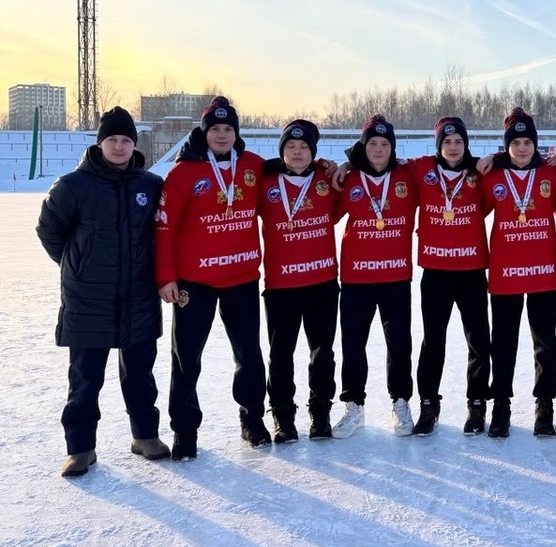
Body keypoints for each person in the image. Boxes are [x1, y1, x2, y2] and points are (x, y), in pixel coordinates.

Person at [37, 107, 168, 477]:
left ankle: (145, 436)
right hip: (87, 300)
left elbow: (164, 231)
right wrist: (76, 265)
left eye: (126, 140)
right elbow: (49, 231)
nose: (120, 146)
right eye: (113, 139)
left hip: (139, 296)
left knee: (140, 374)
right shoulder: (73, 186)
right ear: (100, 143)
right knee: (84, 378)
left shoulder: (150, 185)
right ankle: (80, 448)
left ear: (134, 144)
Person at [155, 96, 270, 459]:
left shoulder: (253, 166)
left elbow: (293, 180)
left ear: (237, 133)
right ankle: (184, 431)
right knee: (187, 359)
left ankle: (252, 418)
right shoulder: (183, 172)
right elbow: (164, 228)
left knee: (249, 355)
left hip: (242, 278)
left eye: (228, 129)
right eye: (215, 129)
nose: (222, 135)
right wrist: (166, 277)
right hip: (194, 283)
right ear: (204, 133)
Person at [333, 115, 419, 437]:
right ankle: (353, 405)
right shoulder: (350, 179)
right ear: (363, 147)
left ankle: (400, 401)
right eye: (372, 144)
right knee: (353, 344)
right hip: (356, 278)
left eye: (385, 144)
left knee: (399, 344)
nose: (379, 149)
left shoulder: (407, 175)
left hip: (396, 276)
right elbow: (327, 215)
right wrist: (338, 168)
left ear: (392, 148)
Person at [409, 117, 492, 436]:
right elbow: (376, 158)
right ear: (439, 145)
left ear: (466, 144)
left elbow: (509, 164)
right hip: (436, 272)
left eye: (458, 141)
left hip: (471, 272)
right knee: (433, 342)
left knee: (478, 342)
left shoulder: (479, 171)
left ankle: (476, 404)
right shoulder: (421, 169)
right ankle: (429, 404)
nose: (453, 147)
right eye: (447, 142)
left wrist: (494, 157)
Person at [482, 108, 556, 438]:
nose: (523, 148)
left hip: (543, 272)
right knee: (503, 343)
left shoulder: (552, 174)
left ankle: (545, 404)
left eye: (528, 141)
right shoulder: (491, 176)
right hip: (506, 274)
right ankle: (501, 403)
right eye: (516, 142)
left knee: (545, 343)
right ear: (507, 146)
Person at [258, 120, 339, 443]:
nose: (297, 152)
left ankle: (320, 412)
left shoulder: (326, 179)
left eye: (304, 147)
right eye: (290, 147)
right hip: (281, 286)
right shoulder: (265, 182)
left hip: (322, 283)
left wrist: (336, 166)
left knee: (323, 353)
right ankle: (282, 415)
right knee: (280, 355)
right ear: (281, 152)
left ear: (313, 152)